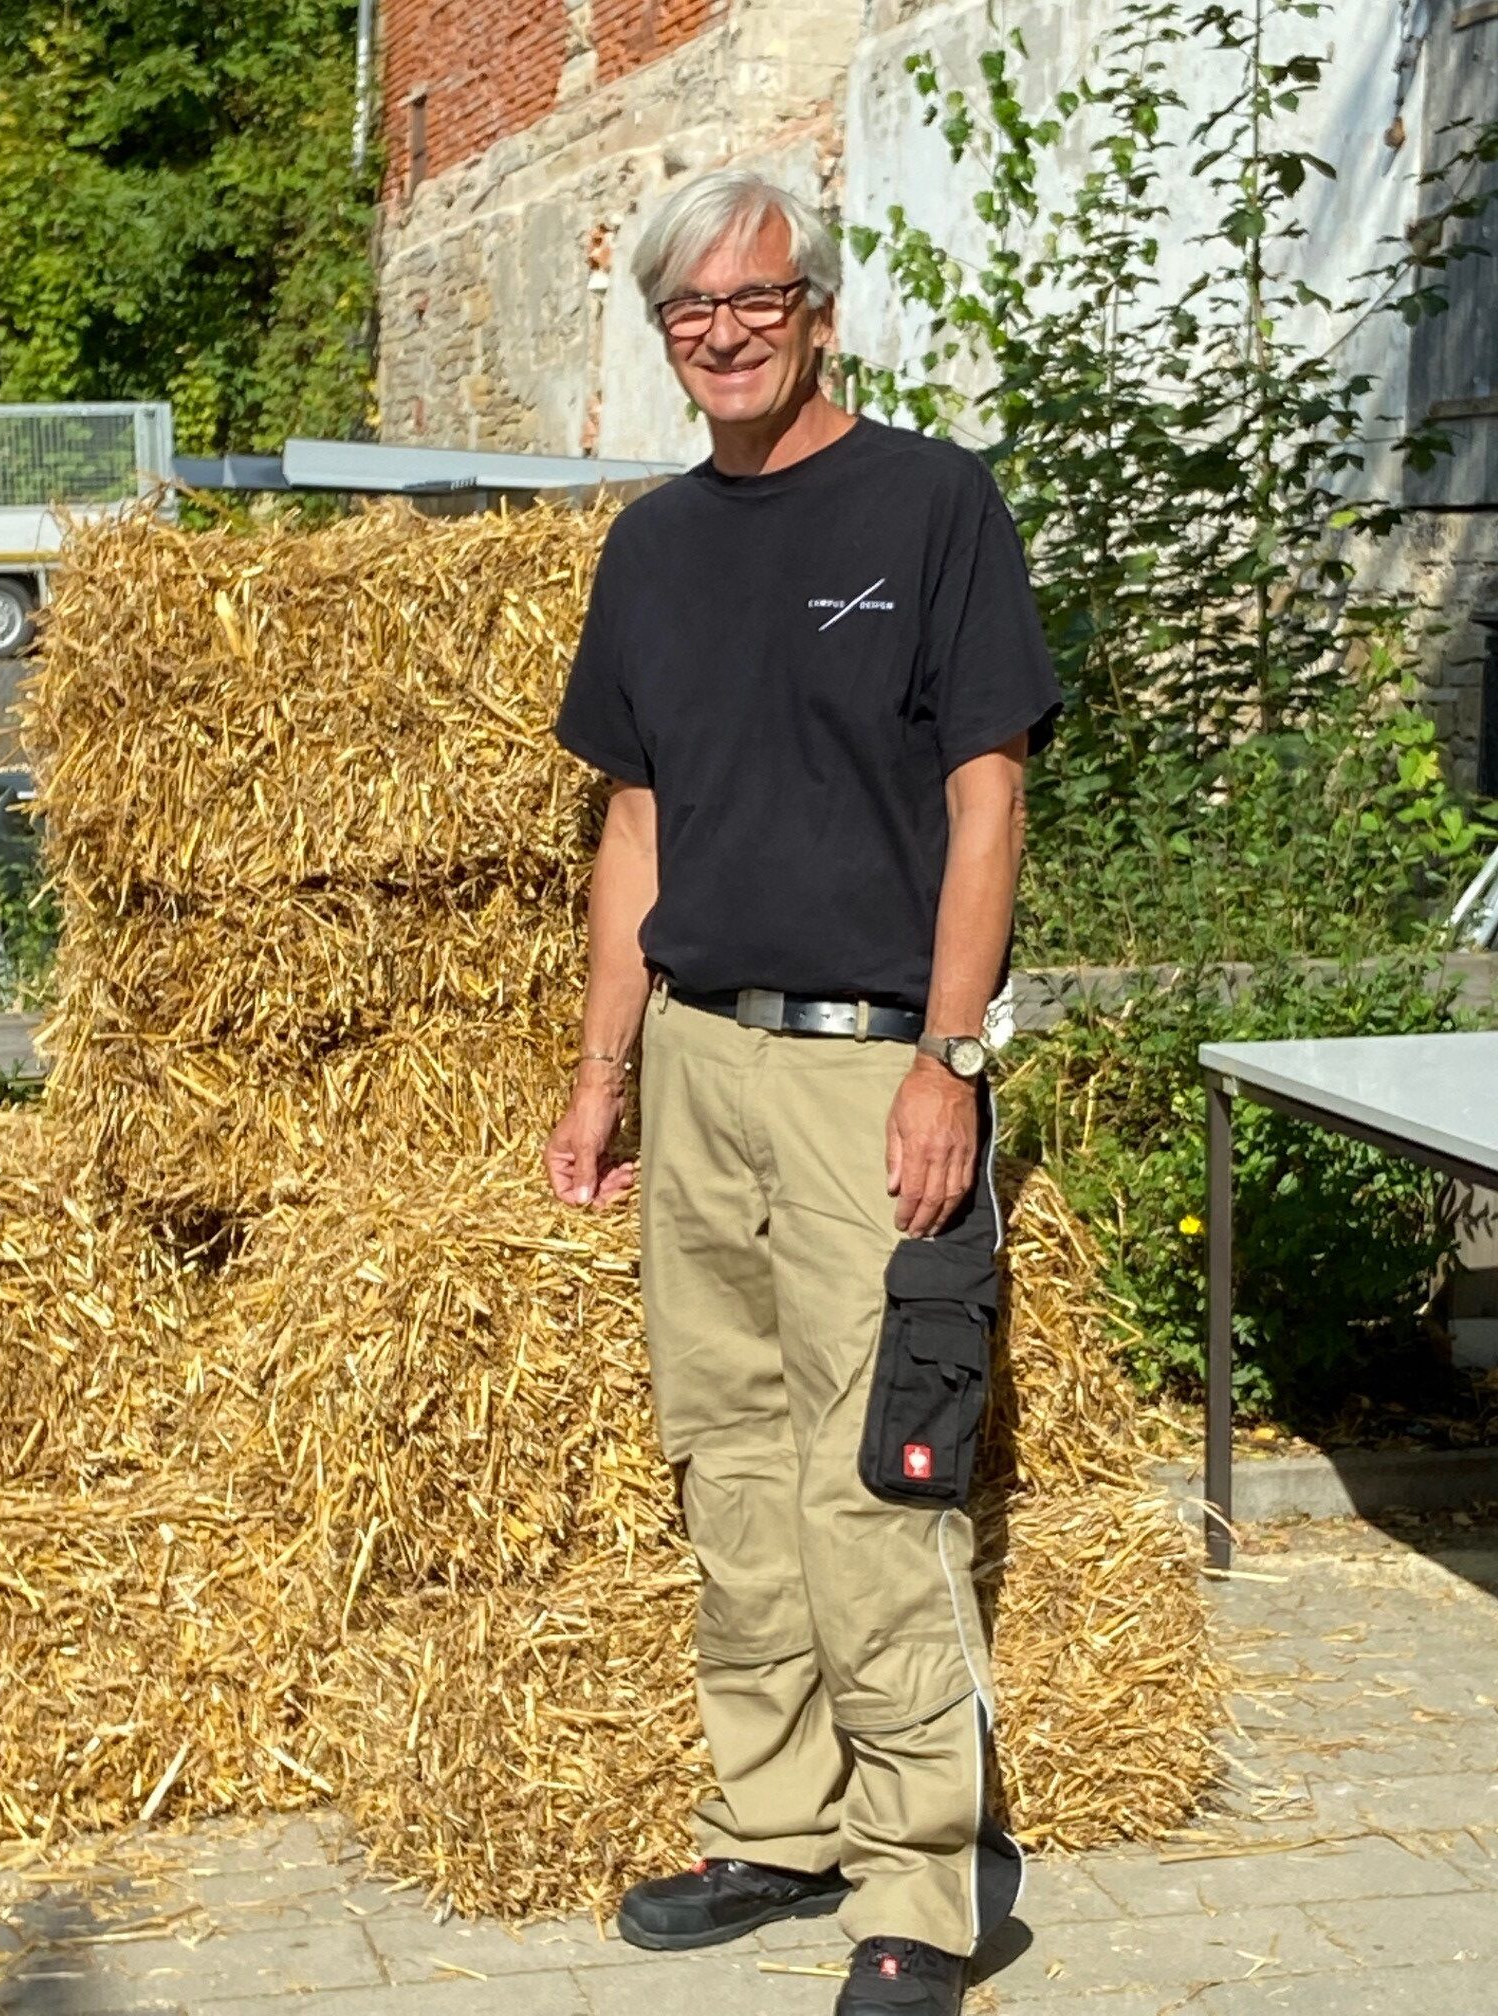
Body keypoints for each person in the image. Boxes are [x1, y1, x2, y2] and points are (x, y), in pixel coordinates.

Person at [542, 167, 1061, 2016]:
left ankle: (919, 1890)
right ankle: (775, 1822)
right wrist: (603, 1075)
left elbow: (986, 794)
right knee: (731, 1453)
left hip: (866, 1071)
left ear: (818, 310)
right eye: (690, 313)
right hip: (694, 1059)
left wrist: (949, 1054)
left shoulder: (930, 503)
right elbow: (635, 820)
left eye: (754, 302)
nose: (724, 334)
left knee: (876, 1470)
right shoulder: (652, 546)